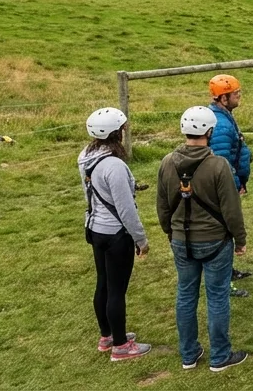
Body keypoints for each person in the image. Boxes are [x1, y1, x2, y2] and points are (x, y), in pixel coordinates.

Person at [157, 107, 249, 372]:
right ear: (209, 131)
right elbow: (231, 209)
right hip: (215, 240)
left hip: (180, 240)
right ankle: (220, 355)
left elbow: (162, 204)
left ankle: (188, 353)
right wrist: (240, 238)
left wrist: (169, 231)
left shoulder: (166, 162)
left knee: (186, 293)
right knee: (217, 296)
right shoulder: (218, 165)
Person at [80, 107, 151, 361]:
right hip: (116, 234)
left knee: (103, 283)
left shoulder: (86, 156)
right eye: (122, 129)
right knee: (116, 290)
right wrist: (141, 239)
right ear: (115, 133)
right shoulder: (115, 166)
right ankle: (121, 346)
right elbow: (125, 209)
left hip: (95, 228)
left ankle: (106, 335)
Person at [207, 74, 253, 296]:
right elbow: (223, 162)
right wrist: (236, 184)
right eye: (236, 94)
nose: (239, 96)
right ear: (223, 99)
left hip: (229, 184)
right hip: (225, 188)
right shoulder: (222, 125)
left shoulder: (223, 117)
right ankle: (224, 282)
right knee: (224, 230)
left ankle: (229, 271)